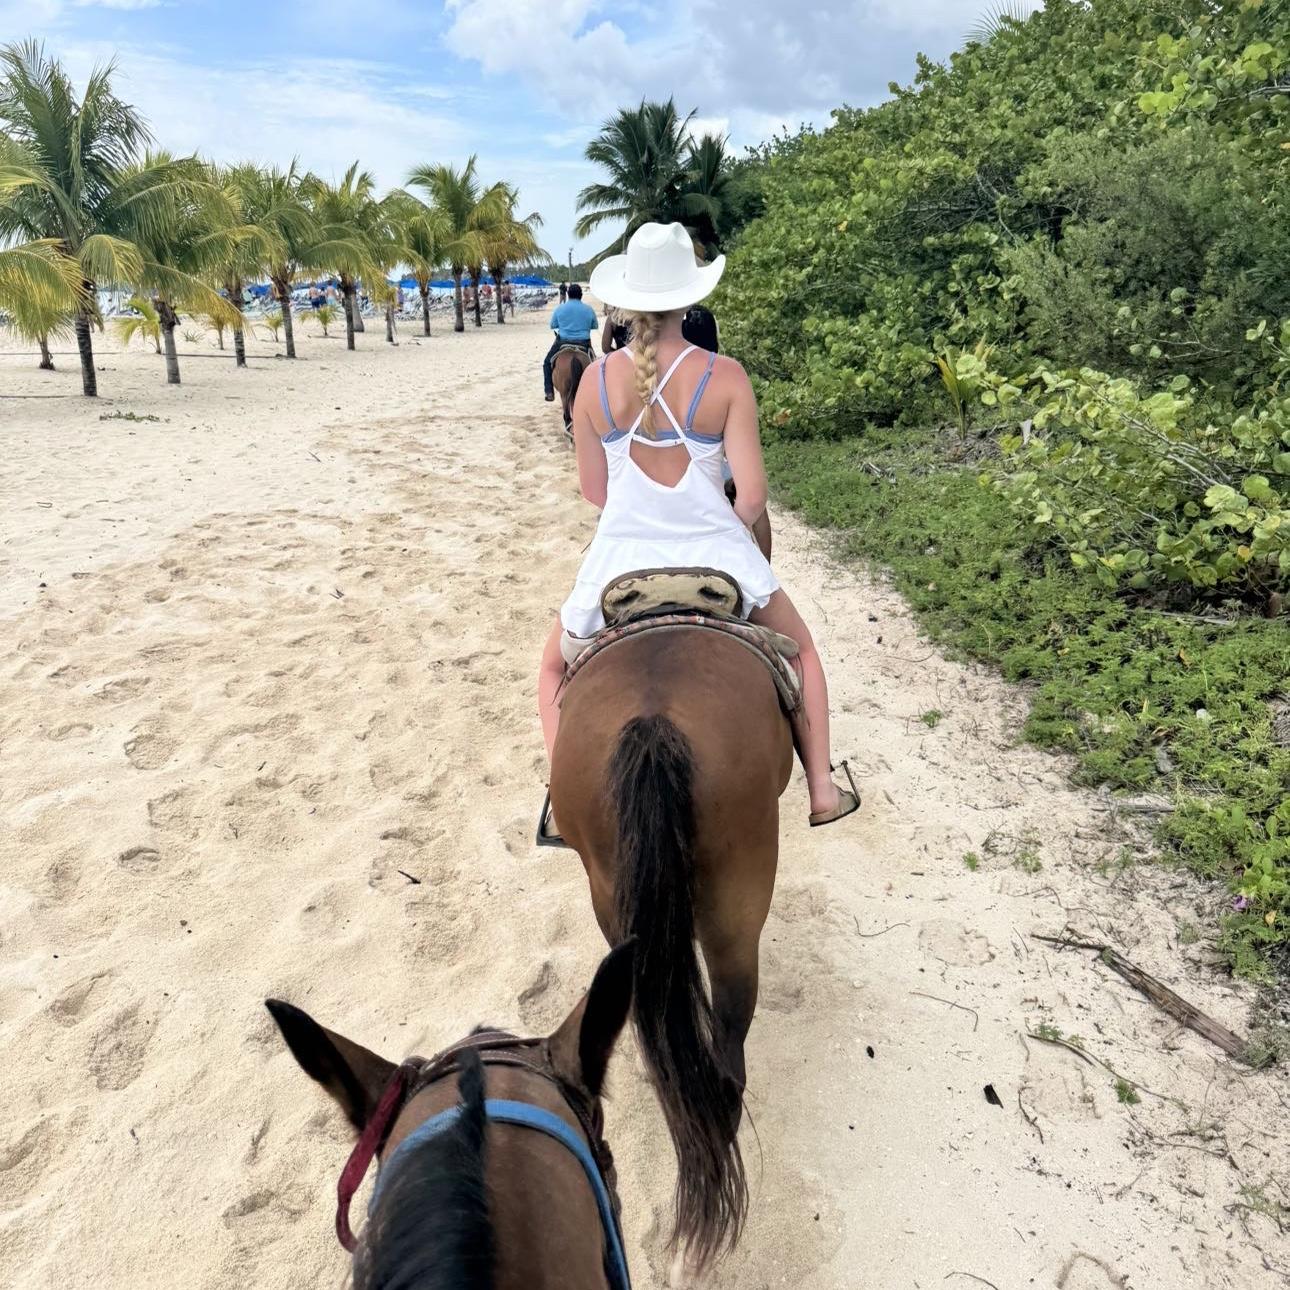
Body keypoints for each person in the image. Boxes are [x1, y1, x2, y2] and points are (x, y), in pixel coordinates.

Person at [537, 221, 857, 828]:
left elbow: (594, 492)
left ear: (628, 300)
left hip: (621, 556)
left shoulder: (594, 382)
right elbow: (753, 495)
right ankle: (821, 788)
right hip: (717, 554)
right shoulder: (725, 374)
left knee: (553, 669)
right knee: (804, 654)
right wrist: (720, 529)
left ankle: (561, 799)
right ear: (690, 297)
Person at [543, 283, 597, 401]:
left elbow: (553, 325)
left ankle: (549, 392)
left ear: (568, 294)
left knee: (547, 363)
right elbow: (595, 325)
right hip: (584, 343)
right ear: (581, 295)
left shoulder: (560, 308)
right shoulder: (589, 309)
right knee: (596, 364)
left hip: (563, 342)